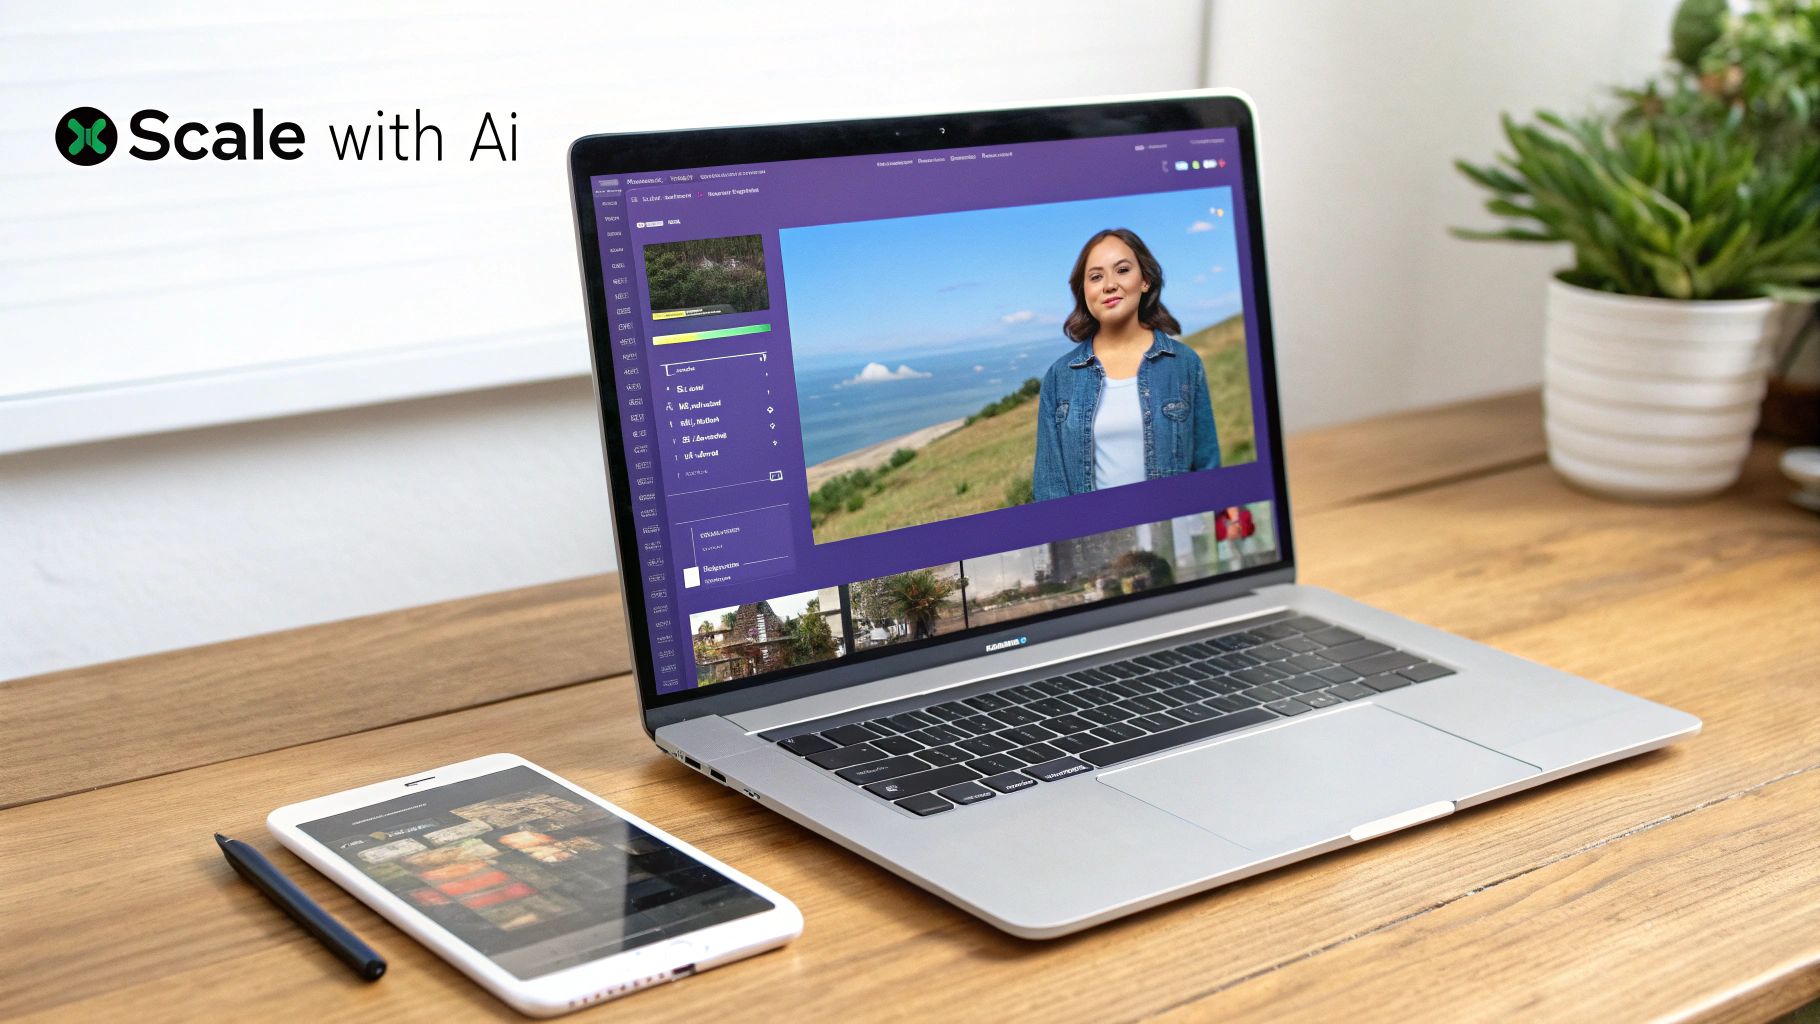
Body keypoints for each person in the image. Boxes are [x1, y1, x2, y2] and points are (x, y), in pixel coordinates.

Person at [1033, 228, 1219, 501]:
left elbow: (1208, 469)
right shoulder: (1059, 378)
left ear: (1145, 280)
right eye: (1096, 277)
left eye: (1122, 270)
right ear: (1084, 291)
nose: (1109, 284)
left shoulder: (1184, 364)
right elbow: (1049, 490)